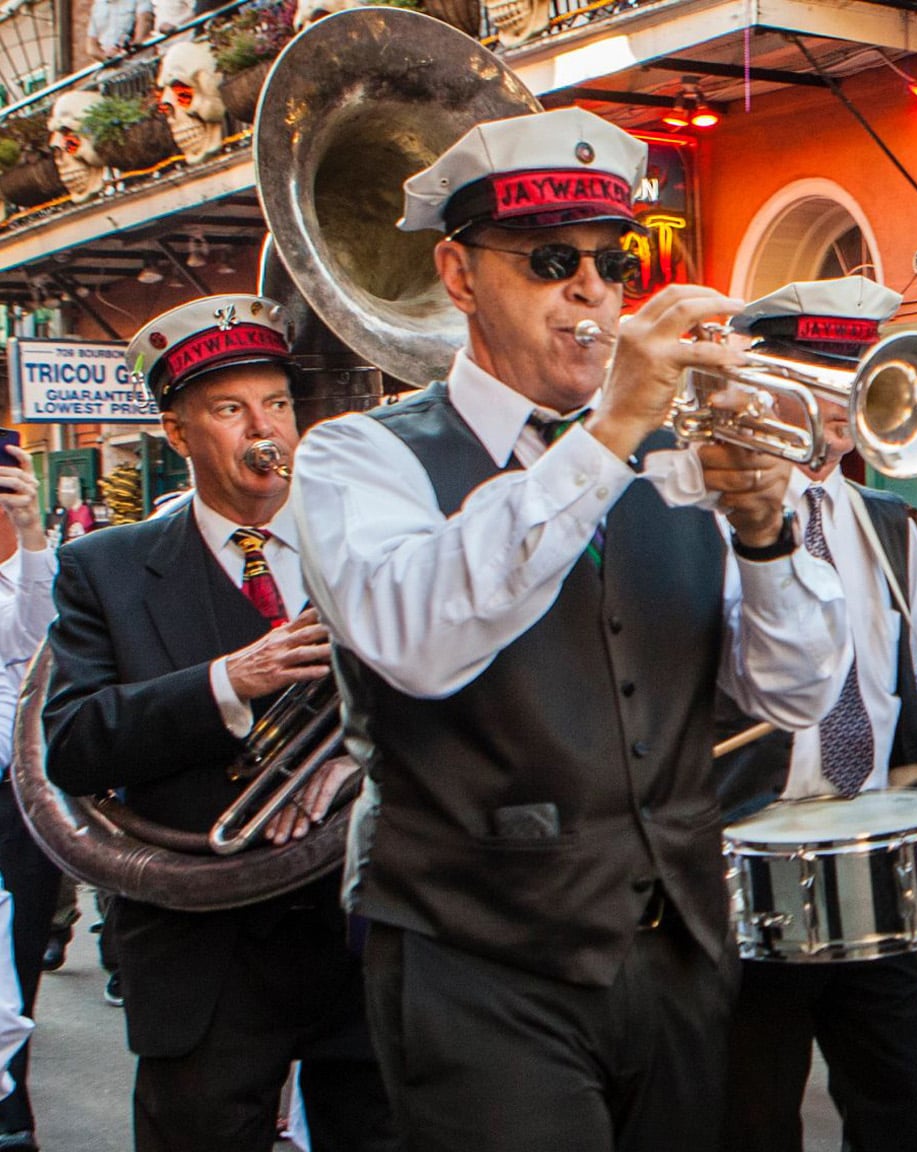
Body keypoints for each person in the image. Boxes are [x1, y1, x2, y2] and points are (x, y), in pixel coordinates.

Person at [289, 107, 849, 1151]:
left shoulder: (672, 456)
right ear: (459, 277)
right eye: (552, 261)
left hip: (674, 949)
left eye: (611, 260)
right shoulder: (358, 457)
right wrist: (612, 431)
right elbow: (415, 635)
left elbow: (796, 692)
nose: (591, 292)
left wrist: (769, 535)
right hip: (477, 961)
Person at [41, 294, 397, 1152]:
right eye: (231, 410)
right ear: (178, 433)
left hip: (362, 926)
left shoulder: (367, 544)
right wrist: (224, 683)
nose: (263, 428)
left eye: (275, 402)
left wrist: (355, 764)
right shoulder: (105, 569)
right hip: (204, 950)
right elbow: (73, 743)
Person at [717, 277, 917, 1152]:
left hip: (872, 848)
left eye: (854, 377)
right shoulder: (714, 516)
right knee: (753, 1111)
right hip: (753, 845)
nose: (842, 405)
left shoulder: (884, 516)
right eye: (822, 378)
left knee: (899, 1103)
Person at [0, 444, 57, 1151]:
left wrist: (33, 529)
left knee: (15, 956)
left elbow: (43, 633)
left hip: (14, 798)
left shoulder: (27, 572)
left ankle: (12, 1109)